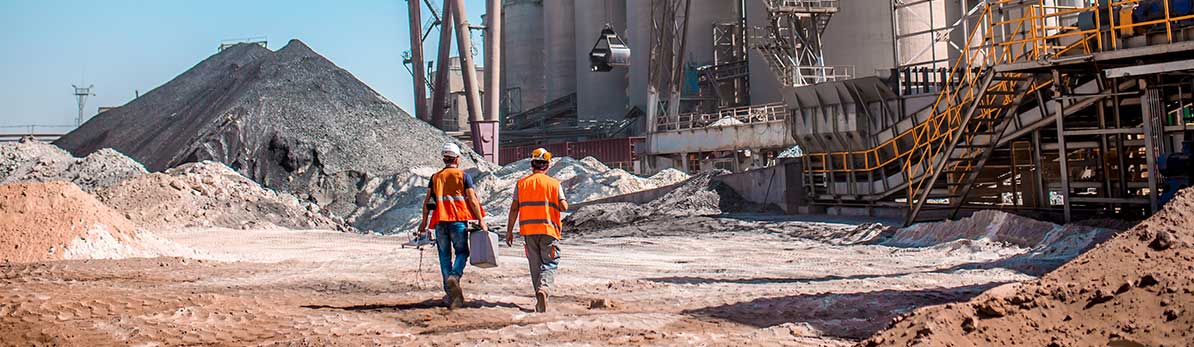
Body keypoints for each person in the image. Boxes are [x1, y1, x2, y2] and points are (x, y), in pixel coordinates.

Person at [418, 143, 488, 309]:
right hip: (458, 221)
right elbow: (472, 199)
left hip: (440, 222)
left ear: (444, 158)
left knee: (444, 256)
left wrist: (423, 222)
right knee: (462, 252)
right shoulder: (463, 176)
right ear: (457, 158)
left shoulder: (435, 177)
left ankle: (451, 295)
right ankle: (455, 276)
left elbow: (428, 201)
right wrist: (481, 220)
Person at [505, 148, 568, 313]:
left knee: (535, 264)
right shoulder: (554, 184)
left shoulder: (521, 184)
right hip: (548, 229)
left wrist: (509, 231)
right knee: (550, 262)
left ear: (532, 165)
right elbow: (563, 206)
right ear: (547, 166)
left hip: (528, 230)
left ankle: (539, 294)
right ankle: (544, 289)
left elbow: (513, 209)